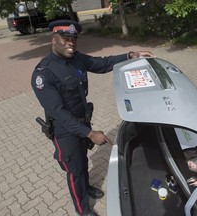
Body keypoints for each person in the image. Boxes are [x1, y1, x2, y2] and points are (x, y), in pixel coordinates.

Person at [31, 20, 154, 216]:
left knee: (82, 161)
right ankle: (83, 209)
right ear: (54, 40)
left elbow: (102, 63)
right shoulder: (43, 74)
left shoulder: (77, 59)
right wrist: (90, 133)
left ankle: (86, 188)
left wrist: (130, 55)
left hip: (82, 122)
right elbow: (59, 113)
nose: (71, 43)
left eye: (73, 39)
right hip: (65, 131)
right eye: (65, 39)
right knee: (75, 170)